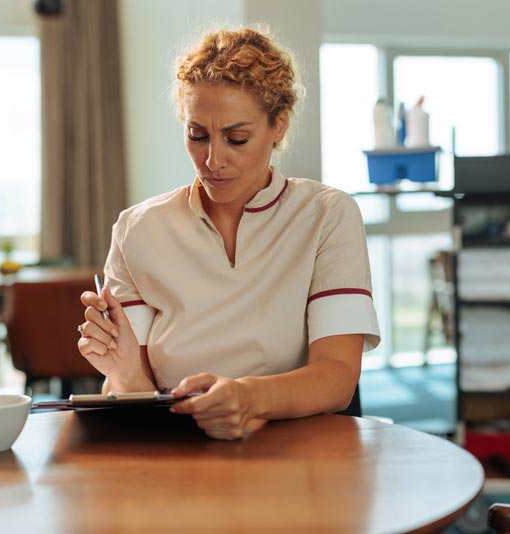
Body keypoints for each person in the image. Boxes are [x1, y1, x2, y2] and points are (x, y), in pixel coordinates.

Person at [77, 27, 380, 440]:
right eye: (196, 135)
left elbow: (338, 375)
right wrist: (126, 374)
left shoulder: (326, 215)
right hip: (180, 451)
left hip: (302, 454)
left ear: (279, 126)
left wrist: (247, 398)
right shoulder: (138, 230)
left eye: (237, 138)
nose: (212, 159)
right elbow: (139, 397)